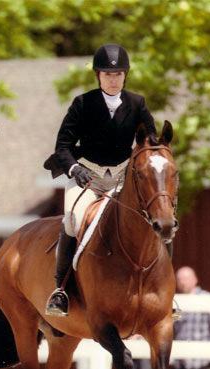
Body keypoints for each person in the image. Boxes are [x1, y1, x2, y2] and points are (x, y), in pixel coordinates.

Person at [44, 43, 159, 317]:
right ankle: (60, 290)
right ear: (98, 75)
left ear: (125, 76)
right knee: (72, 219)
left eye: (118, 74)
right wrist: (73, 169)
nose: (113, 79)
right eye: (108, 74)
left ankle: (161, 288)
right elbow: (63, 146)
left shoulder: (137, 104)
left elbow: (151, 142)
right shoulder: (82, 104)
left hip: (122, 177)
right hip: (88, 176)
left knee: (157, 218)